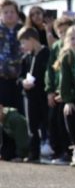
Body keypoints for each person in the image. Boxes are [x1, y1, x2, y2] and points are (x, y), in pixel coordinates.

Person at [49, 25, 75, 166]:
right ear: (67, 40)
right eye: (72, 38)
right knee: (68, 113)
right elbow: (64, 80)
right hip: (72, 95)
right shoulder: (66, 56)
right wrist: (68, 100)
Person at [18, 27, 50, 162]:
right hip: (30, 97)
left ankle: (54, 149)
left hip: (44, 95)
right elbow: (19, 77)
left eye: (24, 42)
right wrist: (23, 82)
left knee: (48, 123)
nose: (22, 46)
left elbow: (50, 73)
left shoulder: (47, 53)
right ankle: (34, 153)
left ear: (31, 40)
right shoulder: (26, 58)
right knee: (32, 125)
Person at [0, 0, 23, 111]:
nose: (9, 14)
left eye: (12, 12)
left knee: (20, 114)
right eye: (5, 12)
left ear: (17, 14)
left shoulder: (24, 31)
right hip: (2, 80)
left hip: (21, 80)